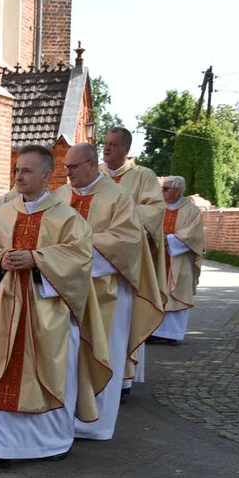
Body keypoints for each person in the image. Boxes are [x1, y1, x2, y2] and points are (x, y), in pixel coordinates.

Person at [0, 145, 112, 469]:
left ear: (47, 175)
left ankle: (50, 443)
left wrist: (37, 259)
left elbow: (80, 259)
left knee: (50, 370)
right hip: (4, 311)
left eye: (27, 171)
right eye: (17, 170)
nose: (19, 176)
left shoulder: (68, 219)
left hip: (49, 313)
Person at [54, 142, 163, 440]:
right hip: (66, 290)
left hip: (107, 289)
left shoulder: (119, 198)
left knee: (103, 353)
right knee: (65, 356)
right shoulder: (61, 196)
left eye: (73, 168)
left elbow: (127, 242)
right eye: (65, 168)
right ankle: (62, 421)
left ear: (91, 165)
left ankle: (95, 425)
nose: (68, 174)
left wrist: (76, 250)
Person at [99, 126, 167, 391]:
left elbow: (154, 212)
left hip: (127, 264)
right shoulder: (95, 176)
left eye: (113, 145)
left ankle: (123, 379)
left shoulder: (143, 176)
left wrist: (116, 217)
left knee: (121, 322)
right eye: (105, 143)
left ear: (126, 149)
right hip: (96, 258)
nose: (106, 148)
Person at [150, 176, 205, 345]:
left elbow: (194, 235)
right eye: (162, 188)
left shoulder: (191, 211)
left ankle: (173, 334)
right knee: (156, 293)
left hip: (179, 261)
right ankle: (155, 331)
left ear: (178, 191)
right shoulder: (157, 208)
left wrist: (169, 240)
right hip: (158, 258)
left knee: (176, 293)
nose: (162, 192)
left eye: (166, 189)